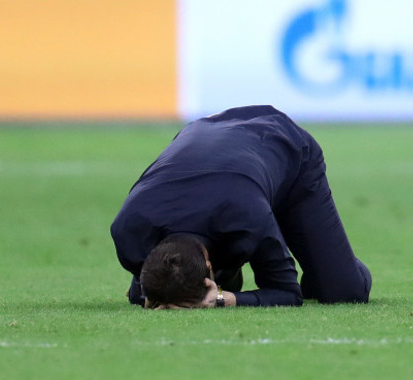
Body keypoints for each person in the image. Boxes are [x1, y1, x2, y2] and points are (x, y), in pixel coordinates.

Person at [110, 105, 372, 309]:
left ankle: (330, 263)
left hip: (285, 149)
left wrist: (224, 298)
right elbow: (144, 292)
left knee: (344, 291)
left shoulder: (246, 217)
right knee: (140, 295)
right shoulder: (128, 232)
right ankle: (231, 270)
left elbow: (287, 293)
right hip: (216, 147)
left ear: (208, 269)